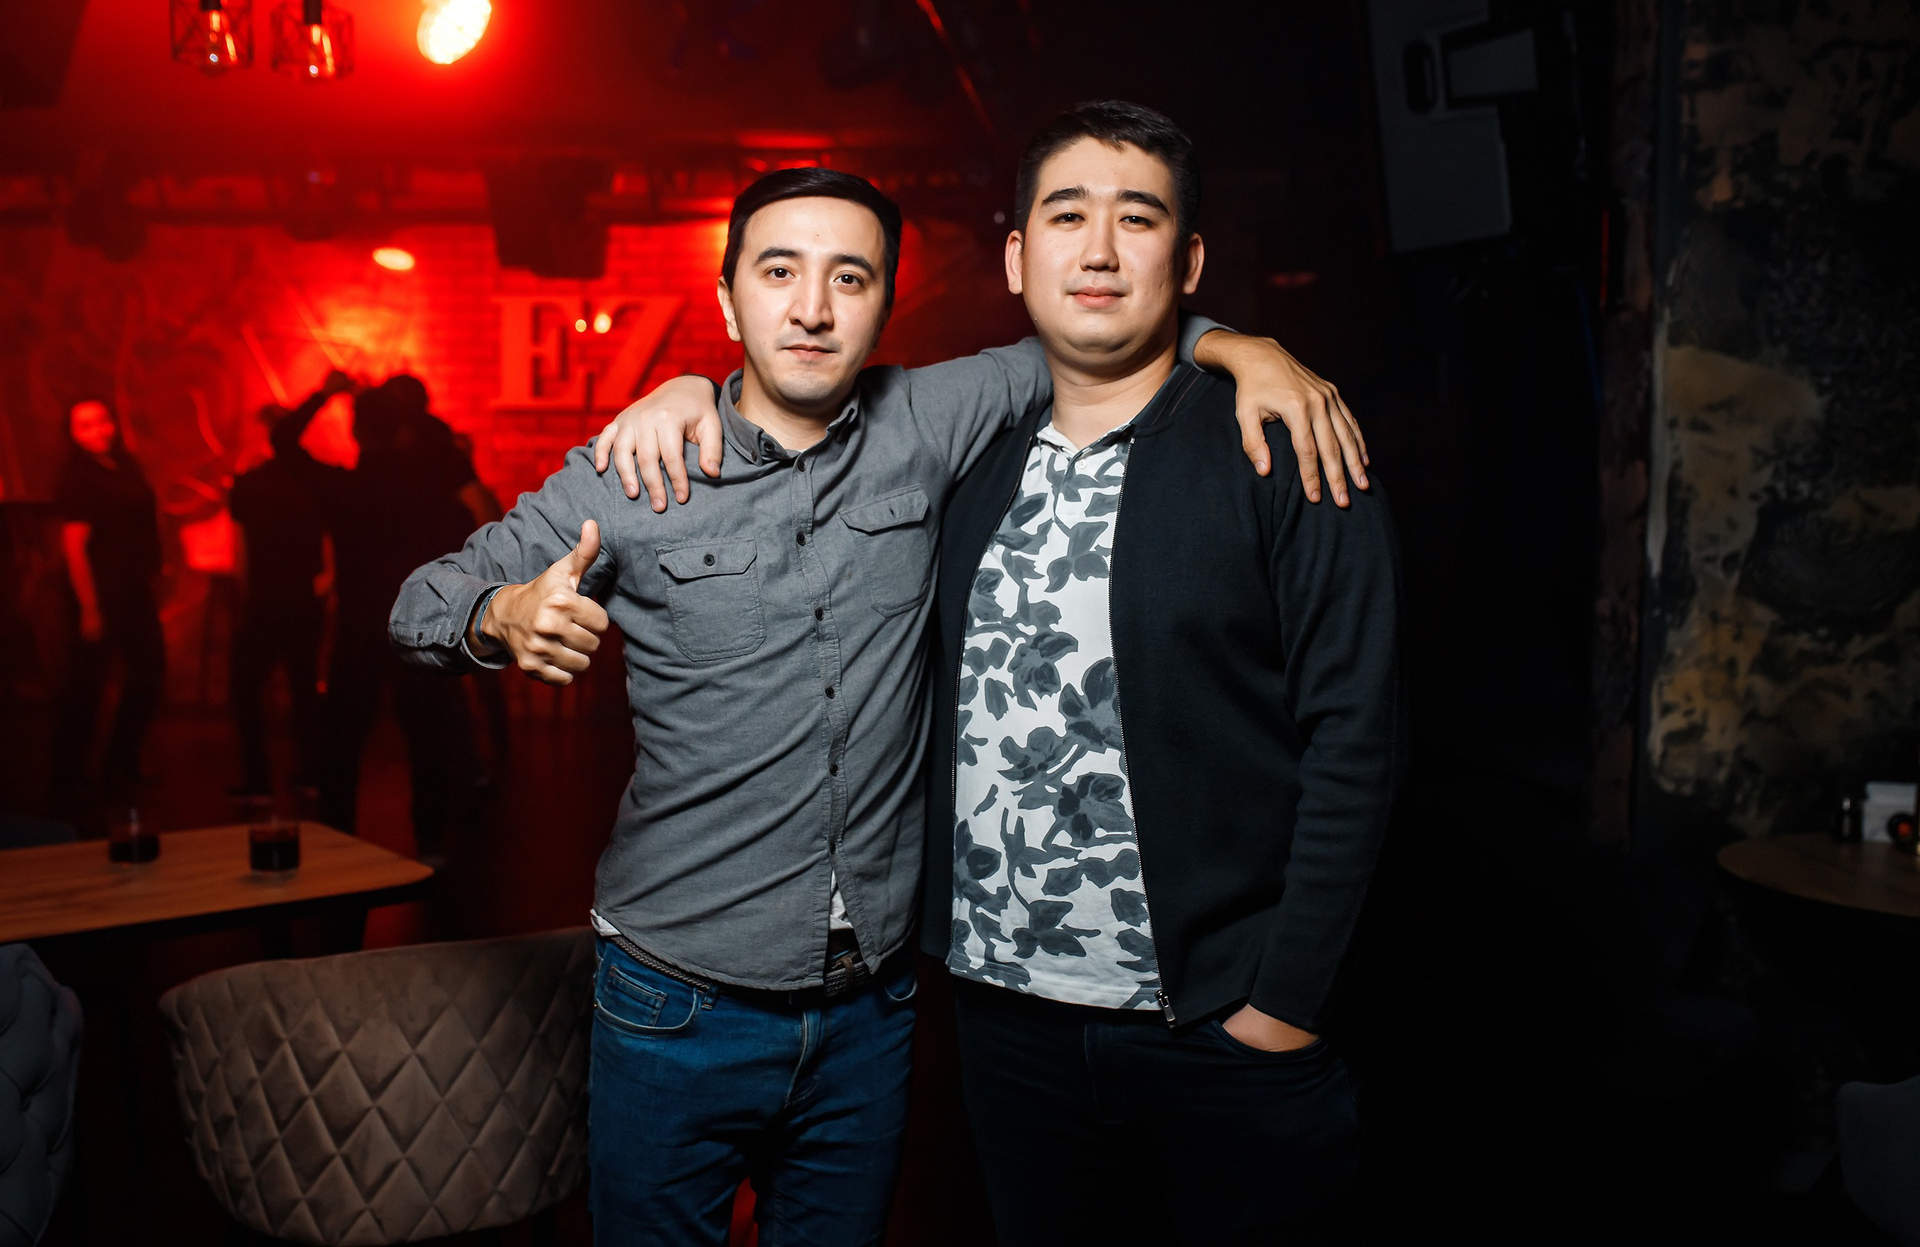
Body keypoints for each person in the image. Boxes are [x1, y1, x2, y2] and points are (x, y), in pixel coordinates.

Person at [390, 165, 1359, 1247]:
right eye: (779, 273)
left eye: (848, 277)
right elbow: (416, 606)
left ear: (885, 302)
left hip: (872, 1011)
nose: (812, 307)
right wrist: (503, 613)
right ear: (728, 301)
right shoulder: (635, 469)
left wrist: (1246, 349)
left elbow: (1104, 333)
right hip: (676, 1001)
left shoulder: (929, 415)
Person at [919, 101, 1403, 1245]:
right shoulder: (964, 459)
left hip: (1220, 1030)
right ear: (1016, 257)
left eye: (1136, 219)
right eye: (1066, 216)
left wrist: (1284, 1005)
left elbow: (1359, 734)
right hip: (1006, 1024)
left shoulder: (1282, 439)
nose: (1098, 249)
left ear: (1186, 264)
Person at [274, 372, 480, 861]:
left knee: (342, 741)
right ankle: (430, 840)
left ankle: (336, 837)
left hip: (360, 628)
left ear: (356, 432)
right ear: (402, 430)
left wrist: (325, 394)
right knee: (427, 736)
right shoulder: (426, 490)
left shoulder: (345, 489)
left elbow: (282, 441)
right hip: (418, 626)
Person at [50, 399, 166, 813]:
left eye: (101, 421)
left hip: (132, 589)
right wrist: (89, 606)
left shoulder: (123, 465)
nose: (96, 430)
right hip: (100, 591)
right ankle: (68, 780)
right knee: (85, 688)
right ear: (72, 433)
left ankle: (121, 764)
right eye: (84, 425)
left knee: (149, 673)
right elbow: (74, 547)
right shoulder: (78, 477)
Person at [226, 403, 329, 800]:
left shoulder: (249, 484)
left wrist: (243, 593)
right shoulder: (314, 480)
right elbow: (332, 537)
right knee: (304, 686)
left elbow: (240, 551)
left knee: (245, 686)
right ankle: (311, 773)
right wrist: (329, 581)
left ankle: (258, 780)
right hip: (305, 595)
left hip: (266, 596)